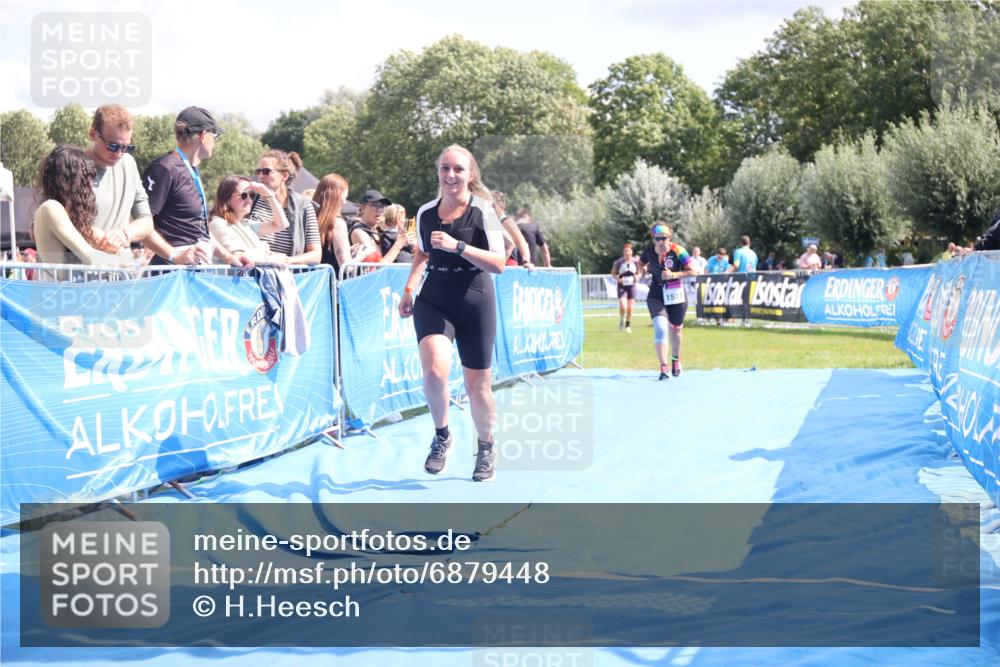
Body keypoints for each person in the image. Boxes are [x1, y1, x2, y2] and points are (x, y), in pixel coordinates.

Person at [398, 145, 506, 482]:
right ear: (438, 173)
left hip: (475, 298)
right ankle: (442, 434)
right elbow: (422, 252)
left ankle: (486, 445)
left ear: (470, 174)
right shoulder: (427, 211)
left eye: (458, 169)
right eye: (445, 168)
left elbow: (499, 264)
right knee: (433, 373)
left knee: (479, 388)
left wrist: (458, 246)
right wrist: (409, 288)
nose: (451, 175)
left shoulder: (483, 211)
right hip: (435, 297)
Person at [143, 106, 252, 268]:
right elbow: (141, 224)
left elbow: (198, 231)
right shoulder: (165, 168)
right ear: (203, 135)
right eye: (215, 136)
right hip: (171, 274)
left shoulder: (191, 169)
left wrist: (229, 257)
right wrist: (174, 255)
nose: (215, 142)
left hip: (194, 270)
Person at [32, 146, 136, 274]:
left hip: (72, 291)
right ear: (74, 181)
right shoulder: (50, 208)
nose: (91, 185)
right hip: (56, 292)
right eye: (87, 178)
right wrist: (123, 262)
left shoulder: (74, 221)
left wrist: (121, 255)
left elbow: (120, 256)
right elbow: (92, 259)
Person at [639, 223, 696, 380]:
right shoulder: (649, 251)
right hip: (656, 294)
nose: (660, 242)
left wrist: (673, 275)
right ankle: (663, 367)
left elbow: (693, 271)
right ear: (653, 238)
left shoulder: (679, 251)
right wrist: (642, 270)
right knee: (660, 328)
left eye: (664, 238)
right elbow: (641, 263)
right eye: (657, 239)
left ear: (669, 238)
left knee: (676, 329)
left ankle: (675, 360)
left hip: (676, 293)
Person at [249, 149, 321, 265]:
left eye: (266, 171)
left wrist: (285, 261)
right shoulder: (249, 200)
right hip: (251, 276)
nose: (261, 176)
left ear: (284, 175)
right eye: (258, 172)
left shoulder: (304, 206)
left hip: (286, 275)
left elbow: (316, 255)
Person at [208, 176, 289, 264]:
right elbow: (241, 257)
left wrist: (270, 196)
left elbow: (282, 225)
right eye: (244, 195)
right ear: (226, 199)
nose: (249, 200)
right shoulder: (218, 224)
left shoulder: (245, 224)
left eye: (252, 195)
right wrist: (272, 259)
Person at [349, 190, 413, 264]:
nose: (379, 210)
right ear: (363, 207)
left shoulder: (378, 231)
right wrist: (398, 244)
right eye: (375, 205)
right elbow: (376, 267)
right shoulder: (359, 232)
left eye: (382, 206)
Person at [313, 173, 359, 276]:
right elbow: (347, 267)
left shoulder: (310, 218)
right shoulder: (337, 223)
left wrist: (348, 249)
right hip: (331, 284)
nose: (345, 202)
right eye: (345, 197)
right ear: (337, 196)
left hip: (311, 282)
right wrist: (361, 255)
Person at [491, 190, 532, 268]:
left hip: (508, 265)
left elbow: (522, 243)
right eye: (489, 206)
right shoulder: (493, 223)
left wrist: (526, 261)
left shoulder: (506, 222)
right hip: (498, 264)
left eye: (493, 206)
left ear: (502, 205)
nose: (491, 209)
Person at [611, 242, 642, 333]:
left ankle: (628, 325)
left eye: (628, 251)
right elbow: (613, 273)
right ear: (623, 252)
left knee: (630, 307)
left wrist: (637, 277)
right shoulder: (618, 262)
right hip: (622, 286)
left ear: (631, 252)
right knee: (623, 306)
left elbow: (640, 272)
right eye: (625, 251)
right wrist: (619, 279)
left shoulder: (636, 262)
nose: (627, 253)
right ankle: (621, 321)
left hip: (632, 286)